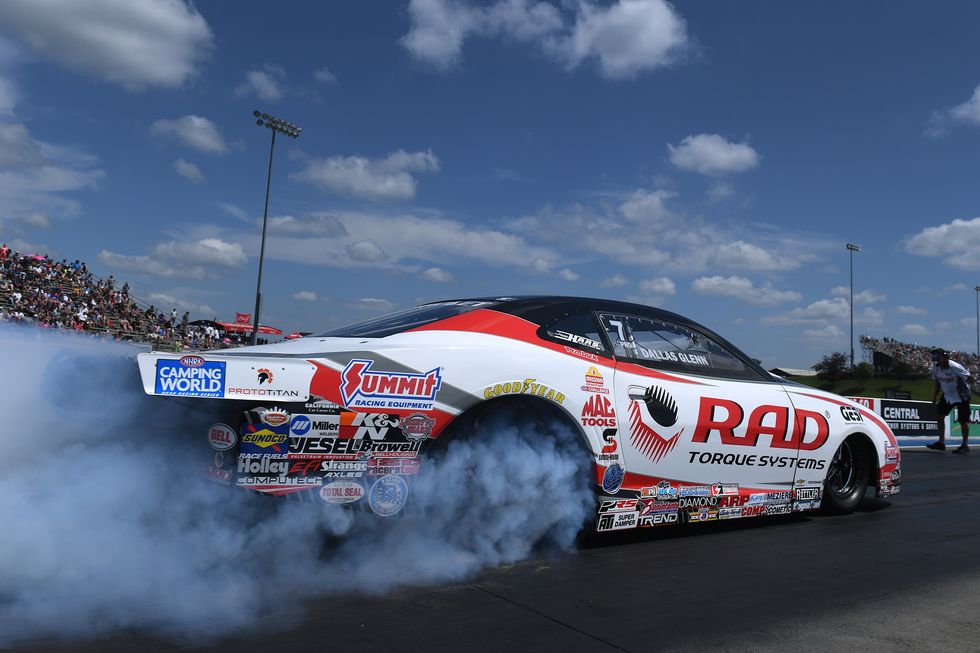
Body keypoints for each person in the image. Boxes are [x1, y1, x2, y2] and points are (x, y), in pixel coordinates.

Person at [927, 348, 974, 453]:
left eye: (938, 356)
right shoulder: (936, 368)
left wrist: (969, 384)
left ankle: (965, 445)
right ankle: (941, 442)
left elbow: (969, 377)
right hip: (948, 395)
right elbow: (938, 382)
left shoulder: (955, 367)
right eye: (935, 357)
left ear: (944, 356)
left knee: (963, 420)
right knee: (939, 416)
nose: (937, 359)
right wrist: (935, 396)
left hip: (961, 395)